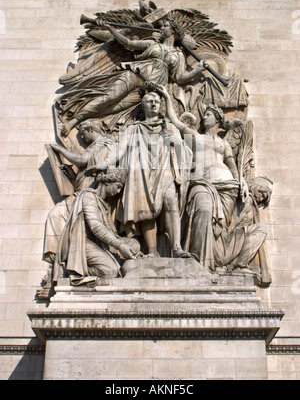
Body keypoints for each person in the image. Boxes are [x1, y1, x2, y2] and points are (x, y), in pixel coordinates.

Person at [90, 83, 192, 258]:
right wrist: (104, 163)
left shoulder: (168, 126)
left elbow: (184, 148)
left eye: (157, 102)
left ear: (161, 105)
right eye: (149, 101)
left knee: (171, 203)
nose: (153, 104)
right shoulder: (132, 128)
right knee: (145, 209)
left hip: (164, 169)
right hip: (141, 172)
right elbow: (120, 150)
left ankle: (177, 247)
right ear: (143, 105)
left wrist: (174, 140)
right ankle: (152, 251)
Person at [57, 19, 205, 136]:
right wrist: (111, 29)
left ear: (173, 30)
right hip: (135, 74)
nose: (161, 28)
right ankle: (74, 120)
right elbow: (128, 43)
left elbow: (179, 78)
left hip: (150, 89)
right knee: (109, 97)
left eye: (165, 26)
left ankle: (89, 121)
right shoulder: (152, 43)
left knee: (117, 107)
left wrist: (197, 70)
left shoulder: (178, 55)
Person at [155, 84, 245, 270]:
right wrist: (165, 96)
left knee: (217, 230)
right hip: (202, 182)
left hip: (227, 184)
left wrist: (241, 181)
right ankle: (198, 259)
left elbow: (232, 165)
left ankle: (212, 263)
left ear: (218, 120)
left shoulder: (224, 143)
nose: (205, 117)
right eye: (205, 115)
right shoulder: (195, 136)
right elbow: (174, 120)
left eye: (209, 115)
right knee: (203, 211)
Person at [43, 119, 116, 265]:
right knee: (58, 216)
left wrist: (60, 149)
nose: (81, 138)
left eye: (82, 134)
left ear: (90, 130)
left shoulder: (103, 143)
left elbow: (83, 160)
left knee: (56, 214)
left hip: (88, 196)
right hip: (84, 193)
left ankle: (58, 258)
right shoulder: (96, 145)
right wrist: (72, 175)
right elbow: (87, 170)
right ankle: (60, 259)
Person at [53, 169, 140, 286]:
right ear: (107, 182)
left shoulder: (103, 203)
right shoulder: (89, 197)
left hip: (98, 243)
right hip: (82, 243)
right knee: (110, 271)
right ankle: (70, 270)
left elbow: (111, 233)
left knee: (134, 244)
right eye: (118, 186)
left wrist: (124, 244)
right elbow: (96, 227)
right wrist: (120, 246)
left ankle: (113, 260)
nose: (118, 191)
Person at [223, 176, 273, 285]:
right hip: (227, 245)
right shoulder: (247, 200)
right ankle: (240, 265)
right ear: (255, 188)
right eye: (261, 194)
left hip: (233, 242)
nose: (261, 199)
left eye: (264, 198)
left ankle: (240, 264)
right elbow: (231, 225)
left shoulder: (250, 202)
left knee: (261, 228)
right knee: (261, 228)